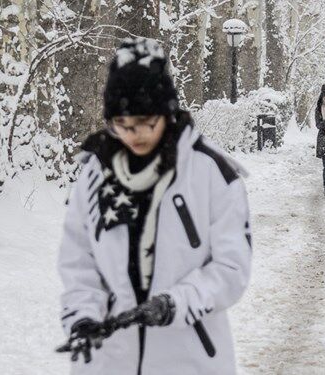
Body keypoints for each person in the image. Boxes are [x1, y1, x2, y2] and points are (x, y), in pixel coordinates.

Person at [56, 38, 253, 374]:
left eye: (147, 122)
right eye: (124, 125)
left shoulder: (210, 171)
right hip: (109, 359)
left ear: (168, 111)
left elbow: (232, 268)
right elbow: (79, 259)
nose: (136, 135)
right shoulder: (95, 172)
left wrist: (174, 303)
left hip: (189, 357)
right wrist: (82, 317)